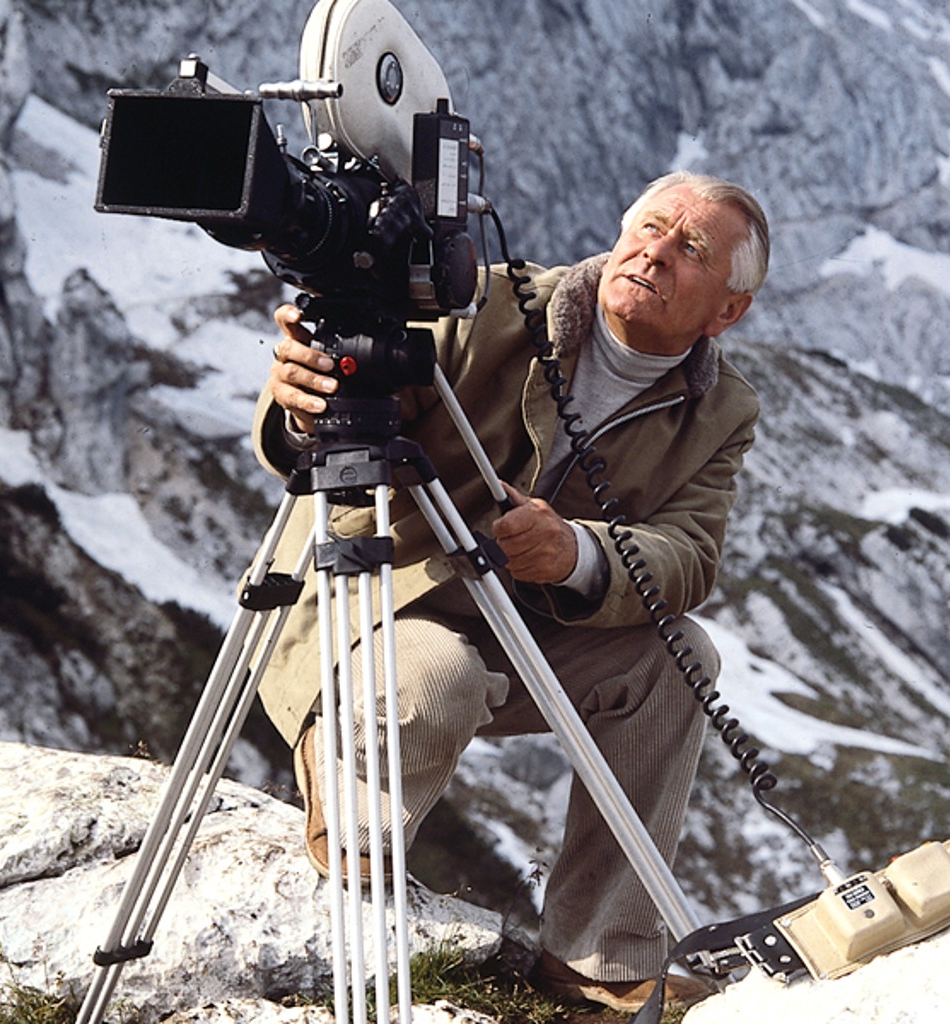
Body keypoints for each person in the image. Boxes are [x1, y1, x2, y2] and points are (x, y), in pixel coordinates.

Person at [252, 170, 769, 1012]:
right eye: (647, 228)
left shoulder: (722, 409)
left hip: (536, 631)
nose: (653, 253)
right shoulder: (482, 304)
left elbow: (690, 554)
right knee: (434, 678)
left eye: (691, 250)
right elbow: (336, 430)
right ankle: (347, 785)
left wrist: (576, 555)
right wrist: (305, 404)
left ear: (727, 311)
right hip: (389, 597)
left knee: (679, 660)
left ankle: (597, 960)